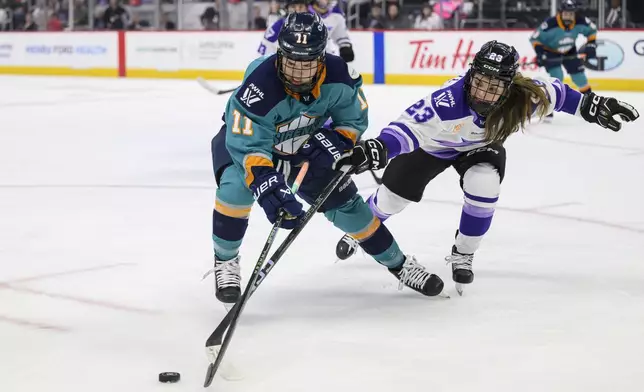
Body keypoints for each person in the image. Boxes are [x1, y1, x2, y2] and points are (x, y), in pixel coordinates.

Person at [333, 40, 639, 294]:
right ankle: (364, 227)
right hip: (433, 147)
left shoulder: (523, 94)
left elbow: (558, 93)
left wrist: (592, 106)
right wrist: (381, 146)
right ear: (471, 74)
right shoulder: (447, 102)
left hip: (479, 147)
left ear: (508, 86)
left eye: (494, 87)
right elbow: (407, 127)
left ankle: (463, 253)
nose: (483, 93)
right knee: (391, 200)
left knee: (484, 186)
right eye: (480, 82)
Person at [208, 12, 444, 305]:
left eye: (306, 65)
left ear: (321, 58)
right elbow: (247, 144)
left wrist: (335, 142)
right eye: (291, 63)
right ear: (280, 55)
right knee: (235, 189)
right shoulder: (260, 83)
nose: (297, 73)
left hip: (303, 148)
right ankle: (225, 262)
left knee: (350, 208)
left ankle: (399, 264)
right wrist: (266, 183)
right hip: (248, 147)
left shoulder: (341, 76)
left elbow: (353, 120)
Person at [529, 0, 597, 121]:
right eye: (566, 13)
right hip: (551, 52)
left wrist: (591, 45)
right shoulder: (550, 24)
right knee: (557, 77)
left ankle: (590, 104)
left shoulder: (580, 21)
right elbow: (534, 39)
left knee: (580, 77)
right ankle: (548, 108)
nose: (568, 16)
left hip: (569, 51)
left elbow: (592, 30)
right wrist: (541, 54)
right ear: (560, 13)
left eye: (571, 14)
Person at [258, 0, 354, 63]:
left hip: (321, 61)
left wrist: (345, 46)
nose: (297, 10)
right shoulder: (285, 22)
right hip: (298, 65)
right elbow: (267, 45)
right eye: (296, 7)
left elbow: (339, 34)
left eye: (300, 7)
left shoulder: (336, 15)